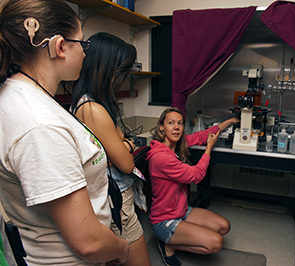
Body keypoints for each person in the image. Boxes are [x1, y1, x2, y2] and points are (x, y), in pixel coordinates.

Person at [0, 0, 130, 265]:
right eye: (82, 44)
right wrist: (122, 248)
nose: (85, 53)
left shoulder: (23, 95)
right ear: (60, 47)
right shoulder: (40, 125)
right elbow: (89, 243)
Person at [69, 32, 151, 266]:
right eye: (122, 70)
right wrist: (126, 145)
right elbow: (126, 162)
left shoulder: (88, 101)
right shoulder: (93, 109)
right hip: (117, 200)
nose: (124, 77)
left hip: (110, 196)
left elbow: (116, 147)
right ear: (107, 68)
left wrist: (120, 146)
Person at [146, 107, 239, 266]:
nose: (176, 127)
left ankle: (182, 235)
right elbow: (196, 175)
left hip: (181, 210)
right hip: (164, 220)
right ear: (161, 126)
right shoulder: (161, 157)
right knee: (216, 242)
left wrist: (229, 122)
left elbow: (202, 136)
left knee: (224, 226)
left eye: (180, 123)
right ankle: (168, 244)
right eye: (171, 123)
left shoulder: (177, 144)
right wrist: (209, 148)